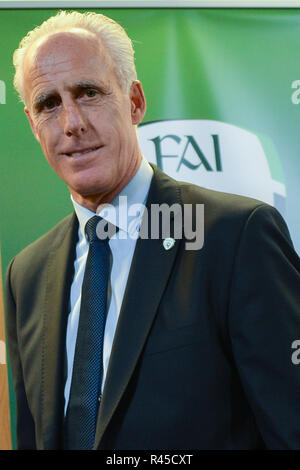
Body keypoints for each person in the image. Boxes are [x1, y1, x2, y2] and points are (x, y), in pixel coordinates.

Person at [5, 10, 300, 451]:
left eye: (88, 93)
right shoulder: (24, 275)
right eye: (49, 104)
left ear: (135, 102)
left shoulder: (236, 237)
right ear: (32, 124)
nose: (71, 123)